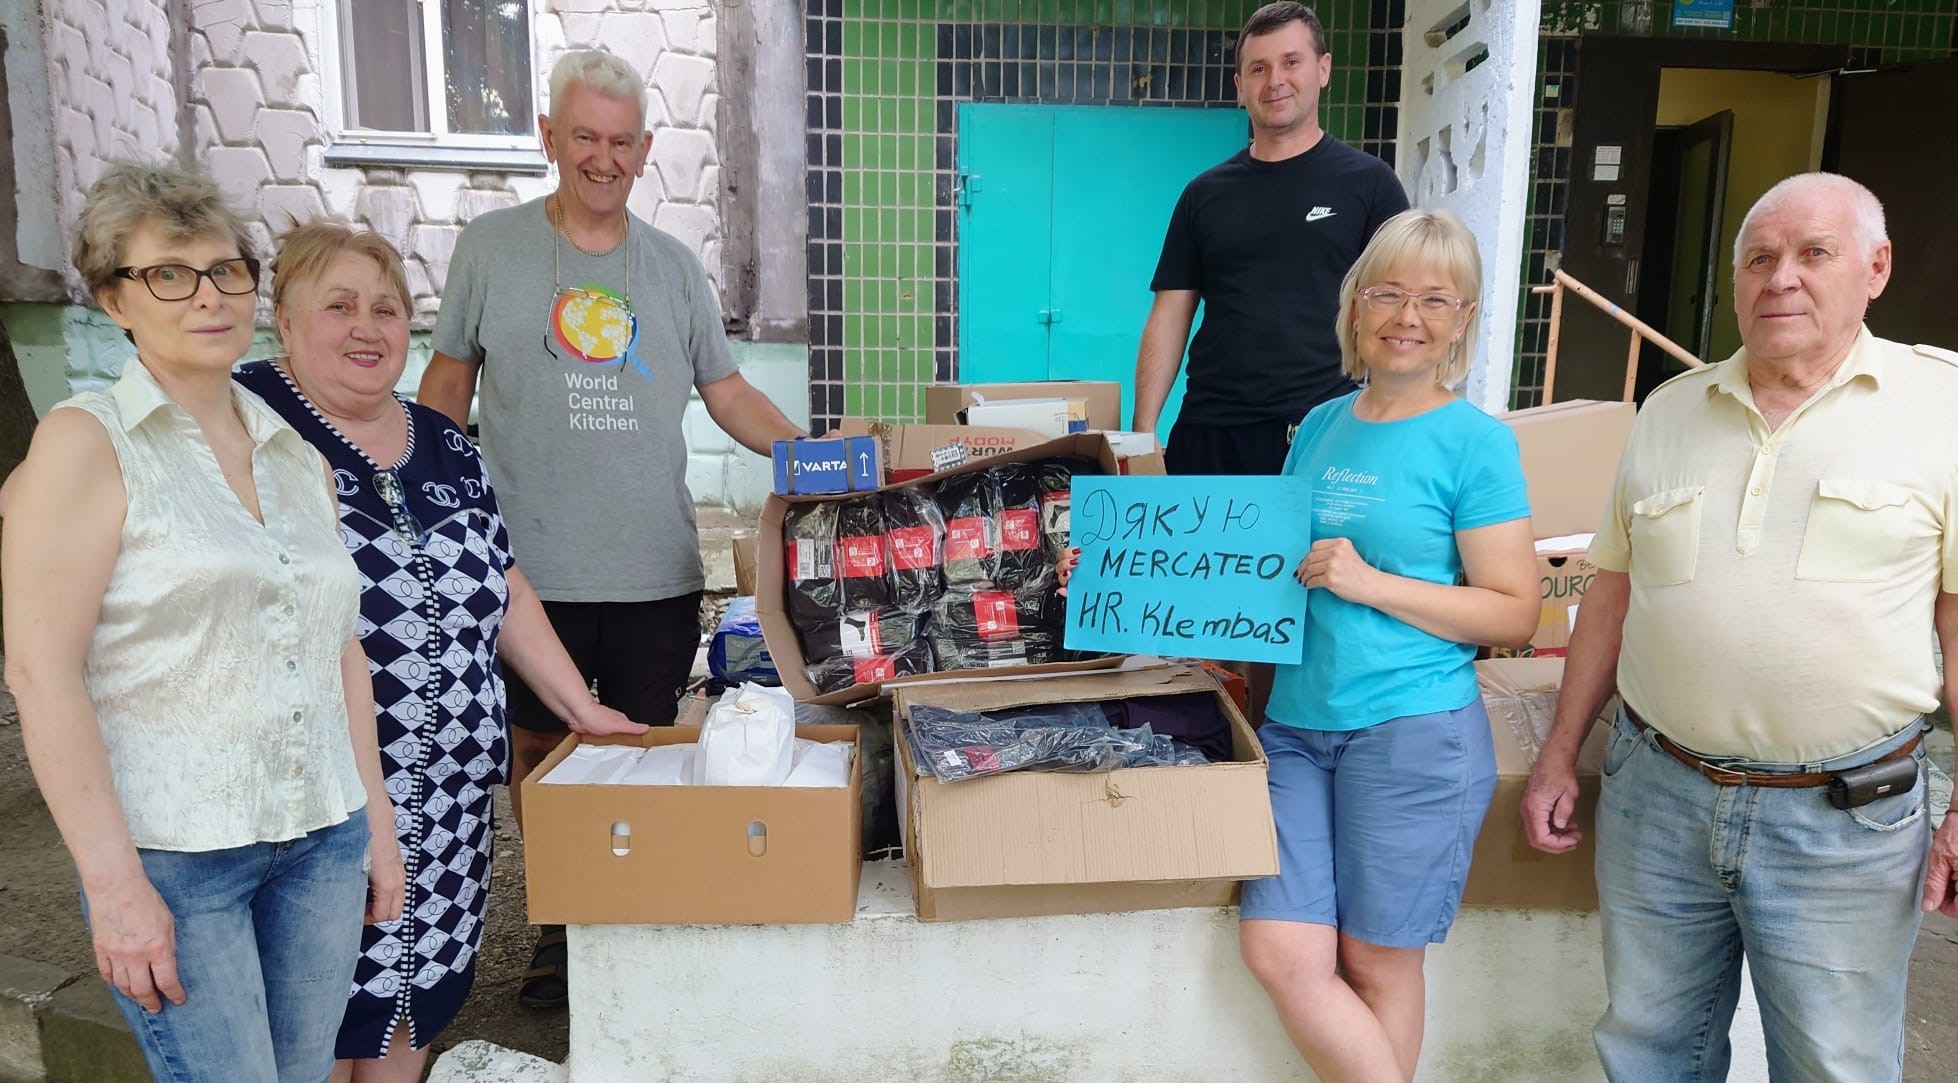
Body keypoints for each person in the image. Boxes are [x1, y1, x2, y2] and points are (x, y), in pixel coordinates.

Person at [1065, 209, 1537, 1081]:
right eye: (1388, 292)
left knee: (1377, 961)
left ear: (1464, 317)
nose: (1408, 315)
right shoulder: (1319, 423)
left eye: (1435, 299)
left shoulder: (1476, 443)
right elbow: (1272, 566)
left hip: (1411, 730)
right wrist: (1139, 582)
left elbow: (1516, 614)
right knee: (1283, 950)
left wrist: (1373, 583)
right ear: (1356, 304)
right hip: (1294, 724)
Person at [1521, 172, 1958, 1082]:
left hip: (1847, 819)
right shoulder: (1670, 410)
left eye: (1813, 254)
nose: (1780, 279)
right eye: (1758, 258)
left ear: (1875, 268)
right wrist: (1561, 752)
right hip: (1658, 796)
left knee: (1834, 1064)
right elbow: (1611, 592)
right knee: (1647, 1050)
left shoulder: (1939, 410)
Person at [417, 48, 804, 1008]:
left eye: (621, 141)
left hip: (651, 570)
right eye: (584, 136)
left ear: (645, 151)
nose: (602, 157)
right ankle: (556, 922)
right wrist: (414, 484)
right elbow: (447, 380)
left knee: (638, 749)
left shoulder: (672, 270)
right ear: (549, 137)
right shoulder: (491, 249)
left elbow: (727, 391)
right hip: (525, 576)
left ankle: (626, 910)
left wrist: (813, 463)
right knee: (542, 754)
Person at [1, 161, 404, 1082]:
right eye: (169, 274)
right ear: (114, 299)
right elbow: (40, 673)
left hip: (321, 839)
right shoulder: (84, 443)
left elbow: (337, 647)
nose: (208, 295)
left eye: (227, 270)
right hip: (181, 860)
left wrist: (374, 820)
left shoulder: (293, 450)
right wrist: (113, 888)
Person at [232, 220, 646, 1082]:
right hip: (322, 809)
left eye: (386, 308)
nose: (367, 326)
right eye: (339, 305)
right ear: (284, 317)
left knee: (407, 1015)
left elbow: (505, 584)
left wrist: (578, 706)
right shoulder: (247, 426)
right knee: (314, 1029)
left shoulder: (443, 442)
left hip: (450, 805)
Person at [1134, 1, 1409, 722]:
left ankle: (1288, 761)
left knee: (1313, 613)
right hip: (1216, 430)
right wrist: (1140, 434)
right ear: (1240, 84)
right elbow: (1171, 310)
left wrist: (1399, 416)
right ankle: (1210, 766)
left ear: (1321, 69)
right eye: (1258, 67)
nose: (1275, 79)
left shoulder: (1369, 185)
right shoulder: (1205, 195)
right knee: (1202, 620)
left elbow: (1401, 308)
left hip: (1324, 434)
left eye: (1290, 62)